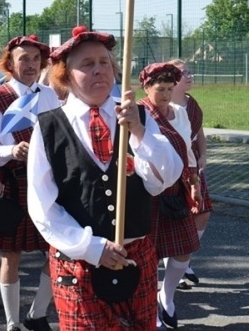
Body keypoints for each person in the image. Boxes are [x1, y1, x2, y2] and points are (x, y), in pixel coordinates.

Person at [27, 26, 183, 331]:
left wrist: (139, 132)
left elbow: (164, 178)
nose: (99, 70)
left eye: (104, 62)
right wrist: (92, 248)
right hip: (78, 262)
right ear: (65, 75)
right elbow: (41, 206)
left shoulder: (137, 116)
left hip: (135, 256)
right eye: (87, 64)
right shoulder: (48, 127)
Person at [0, 35, 61, 331]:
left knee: (58, 250)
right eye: (24, 59)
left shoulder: (49, 96)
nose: (31, 65)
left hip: (47, 184)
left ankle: (37, 314)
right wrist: (10, 151)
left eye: (36, 59)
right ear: (10, 63)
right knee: (11, 256)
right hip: (12, 183)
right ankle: (12, 323)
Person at [138, 62, 201, 330]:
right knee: (148, 255)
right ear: (146, 88)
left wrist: (194, 182)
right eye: (159, 89)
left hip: (176, 189)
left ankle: (167, 296)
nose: (165, 94)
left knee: (184, 249)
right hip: (146, 192)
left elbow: (187, 150)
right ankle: (150, 309)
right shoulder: (139, 114)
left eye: (169, 88)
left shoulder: (180, 112)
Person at [168, 58, 211, 290]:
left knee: (202, 213)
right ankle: (175, 266)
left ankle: (184, 259)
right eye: (183, 73)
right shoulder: (162, 103)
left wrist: (203, 154)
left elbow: (200, 133)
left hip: (193, 162)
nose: (189, 76)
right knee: (176, 215)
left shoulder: (191, 103)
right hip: (173, 162)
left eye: (189, 71)